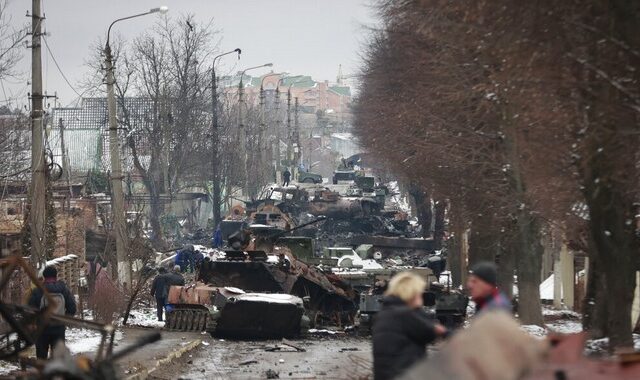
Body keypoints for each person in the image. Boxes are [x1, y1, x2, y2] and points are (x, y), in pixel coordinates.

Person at [372, 271, 447, 380]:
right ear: (411, 293)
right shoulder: (404, 315)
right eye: (419, 293)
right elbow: (429, 333)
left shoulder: (386, 313)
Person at [28, 266, 77, 359]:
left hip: (42, 329)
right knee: (58, 359)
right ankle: (56, 373)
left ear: (44, 276)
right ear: (56, 276)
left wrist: (35, 323)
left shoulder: (38, 290)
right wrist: (64, 321)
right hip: (59, 328)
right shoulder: (63, 290)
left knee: (41, 358)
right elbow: (72, 308)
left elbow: (30, 310)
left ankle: (42, 372)